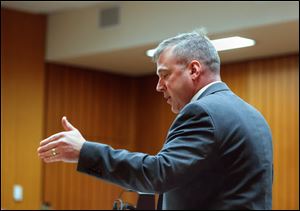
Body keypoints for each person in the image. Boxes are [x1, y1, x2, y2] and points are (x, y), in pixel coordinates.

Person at [38, 30, 273, 210]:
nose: (159, 86)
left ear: (193, 70)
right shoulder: (253, 116)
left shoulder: (202, 112)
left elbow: (158, 174)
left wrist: (84, 151)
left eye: (165, 75)